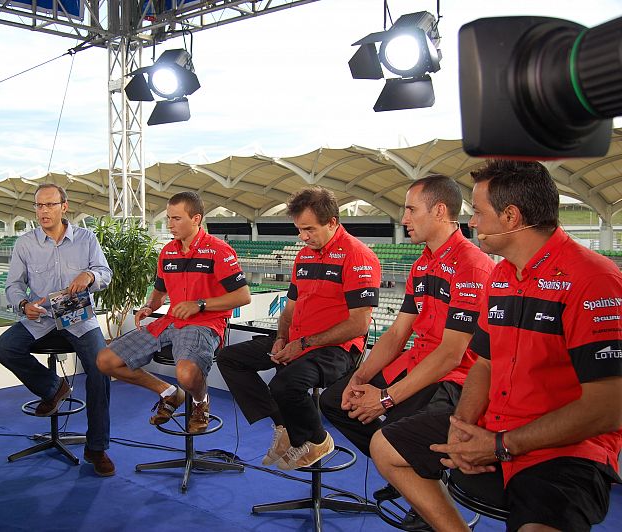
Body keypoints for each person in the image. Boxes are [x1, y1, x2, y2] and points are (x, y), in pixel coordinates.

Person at [371, 160, 622, 531]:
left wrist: (501, 445)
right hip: (495, 426)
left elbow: (608, 408)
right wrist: (462, 426)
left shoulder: (595, 279)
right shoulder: (502, 275)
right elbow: (484, 364)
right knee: (384, 447)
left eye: (479, 213)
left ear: (510, 216)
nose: (471, 222)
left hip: (565, 450)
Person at [319, 175, 494, 507]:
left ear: (440, 211)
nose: (404, 219)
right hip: (416, 362)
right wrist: (360, 378)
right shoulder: (422, 263)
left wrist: (384, 399)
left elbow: (451, 355)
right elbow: (398, 332)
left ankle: (417, 477)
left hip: (451, 378)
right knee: (335, 400)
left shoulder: (472, 266)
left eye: (411, 210)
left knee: (397, 430)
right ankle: (407, 472)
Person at [217, 187, 381, 470]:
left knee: (284, 384)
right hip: (298, 341)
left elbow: (359, 324)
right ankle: (285, 428)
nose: (303, 237)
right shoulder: (304, 256)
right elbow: (289, 309)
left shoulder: (358, 256)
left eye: (309, 229)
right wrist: (281, 338)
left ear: (332, 222)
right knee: (229, 358)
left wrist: (302, 344)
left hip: (336, 350)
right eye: (299, 230)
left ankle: (317, 439)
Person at [96, 191, 251, 434]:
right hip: (170, 322)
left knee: (187, 374)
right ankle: (168, 392)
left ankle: (201, 403)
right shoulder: (167, 251)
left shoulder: (219, 250)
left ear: (196, 219)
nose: (170, 224)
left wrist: (199, 304)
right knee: (106, 361)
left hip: (205, 323)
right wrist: (149, 307)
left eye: (176, 219)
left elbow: (243, 296)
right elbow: (159, 292)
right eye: (169, 218)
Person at [0, 184, 115, 476]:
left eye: (49, 205)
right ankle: (53, 387)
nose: (43, 211)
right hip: (42, 317)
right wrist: (23, 304)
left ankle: (97, 448)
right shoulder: (25, 243)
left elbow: (105, 274)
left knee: (101, 369)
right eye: (38, 206)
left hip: (78, 318)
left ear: (64, 206)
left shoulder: (87, 239)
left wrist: (90, 275)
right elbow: (13, 285)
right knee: (3, 348)